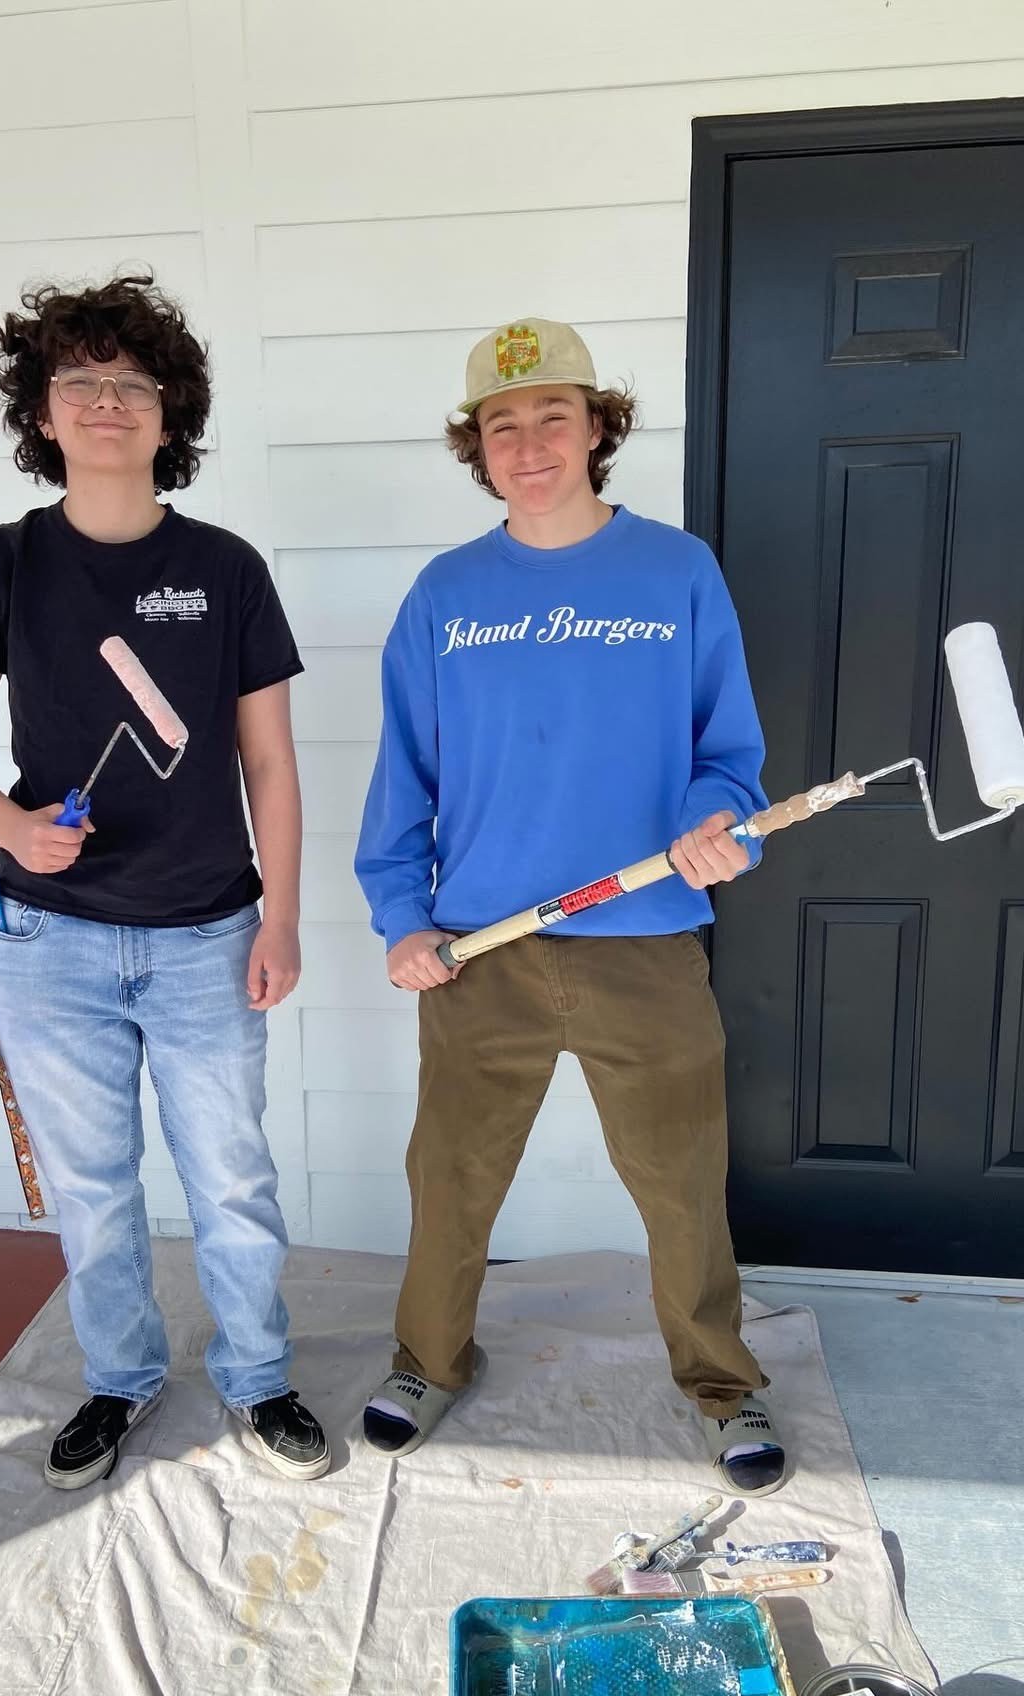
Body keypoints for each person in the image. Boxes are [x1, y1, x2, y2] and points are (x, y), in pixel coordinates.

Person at [353, 317, 785, 1493]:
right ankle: (428, 1362)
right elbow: (405, 775)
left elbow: (728, 756)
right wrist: (402, 916)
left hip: (646, 943)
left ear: (598, 427)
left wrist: (717, 823)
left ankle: (723, 1386)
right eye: (503, 425)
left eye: (555, 415)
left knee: (682, 1184)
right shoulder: (446, 594)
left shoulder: (677, 572)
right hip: (482, 948)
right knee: (451, 1178)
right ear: (477, 447)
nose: (531, 443)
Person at [0, 274, 328, 1486]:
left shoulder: (226, 569)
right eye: (81, 381)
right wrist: (13, 825)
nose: (107, 401)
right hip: (52, 945)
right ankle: (121, 1379)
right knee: (94, 1192)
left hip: (210, 938)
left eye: (132, 383)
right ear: (42, 411)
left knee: (232, 1180)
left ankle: (258, 1377)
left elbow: (267, 761)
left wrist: (282, 918)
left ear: (168, 411)